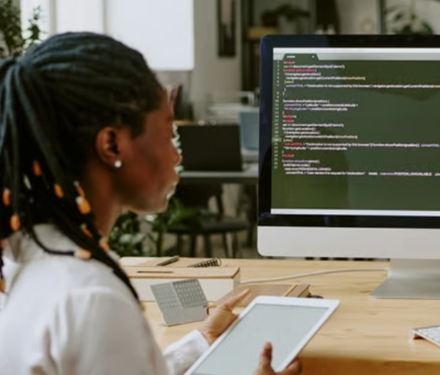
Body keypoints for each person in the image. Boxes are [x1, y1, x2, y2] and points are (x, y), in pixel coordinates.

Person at [0, 32, 300, 375]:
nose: (177, 153)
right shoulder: (93, 299)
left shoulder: (20, 263)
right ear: (112, 145)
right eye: (168, 130)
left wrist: (202, 341)